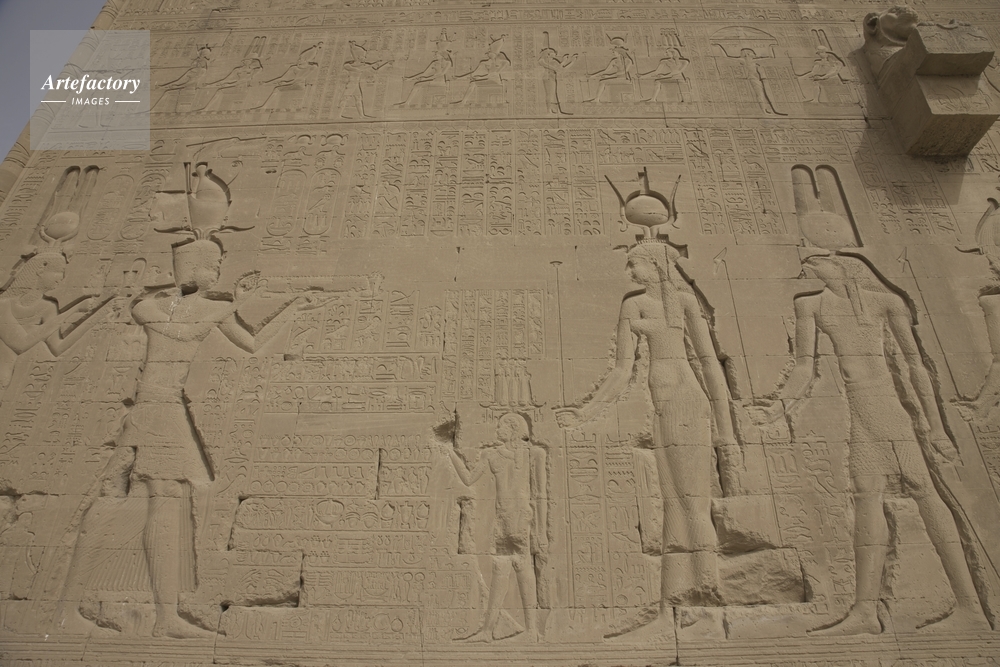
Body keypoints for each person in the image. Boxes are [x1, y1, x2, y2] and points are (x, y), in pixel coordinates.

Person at [55, 235, 322, 638]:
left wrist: (291, 308)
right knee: (132, 501)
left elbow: (251, 343)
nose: (216, 271)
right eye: (212, 265)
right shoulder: (162, 307)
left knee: (158, 502)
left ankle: (161, 615)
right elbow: (186, 329)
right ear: (193, 268)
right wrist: (239, 303)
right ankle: (76, 608)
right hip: (154, 410)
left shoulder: (192, 309)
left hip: (165, 408)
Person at [781, 253, 988, 635]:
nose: (808, 268)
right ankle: (865, 612)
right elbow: (803, 368)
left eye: (816, 261)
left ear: (842, 264)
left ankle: (971, 607)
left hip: (889, 410)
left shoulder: (885, 302)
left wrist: (936, 427)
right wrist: (777, 408)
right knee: (866, 497)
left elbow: (915, 364)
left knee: (923, 491)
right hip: (861, 412)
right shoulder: (811, 305)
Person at [556, 240, 738, 639]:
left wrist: (726, 431)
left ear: (655, 265)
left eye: (635, 264)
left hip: (687, 402)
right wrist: (586, 412)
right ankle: (673, 608)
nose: (630, 272)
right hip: (662, 406)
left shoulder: (685, 302)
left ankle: (708, 605)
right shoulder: (633, 304)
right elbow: (622, 370)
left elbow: (709, 363)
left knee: (693, 504)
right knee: (674, 505)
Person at [442, 413, 547, 642]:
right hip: (504, 519)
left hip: (520, 518)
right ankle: (489, 630)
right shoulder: (493, 455)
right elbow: (469, 479)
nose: (497, 431)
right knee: (502, 570)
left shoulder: (533, 454)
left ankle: (530, 630)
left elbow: (540, 495)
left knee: (521, 567)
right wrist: (450, 452)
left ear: (512, 429)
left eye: (501, 427)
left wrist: (540, 532)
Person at [0, 227, 110, 393]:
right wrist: (74, 310)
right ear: (41, 269)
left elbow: (58, 347)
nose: (61, 278)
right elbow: (20, 343)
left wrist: (98, 314)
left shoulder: (47, 308)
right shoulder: (4, 305)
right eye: (58, 272)